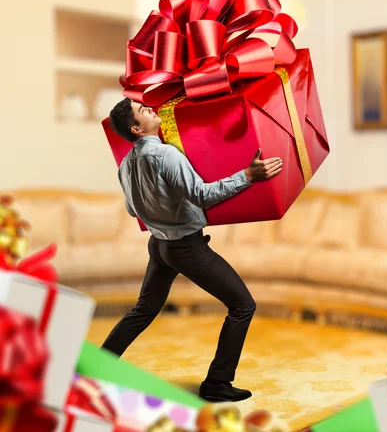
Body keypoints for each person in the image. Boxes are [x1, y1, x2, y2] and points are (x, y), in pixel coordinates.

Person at [102, 98, 283, 402]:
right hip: (186, 246)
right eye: (141, 110)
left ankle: (98, 368)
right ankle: (216, 383)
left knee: (143, 311)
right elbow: (201, 195)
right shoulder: (166, 155)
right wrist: (248, 176)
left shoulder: (124, 166)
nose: (148, 107)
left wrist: (158, 206)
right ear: (136, 128)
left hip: (159, 247)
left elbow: (133, 211)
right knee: (242, 305)